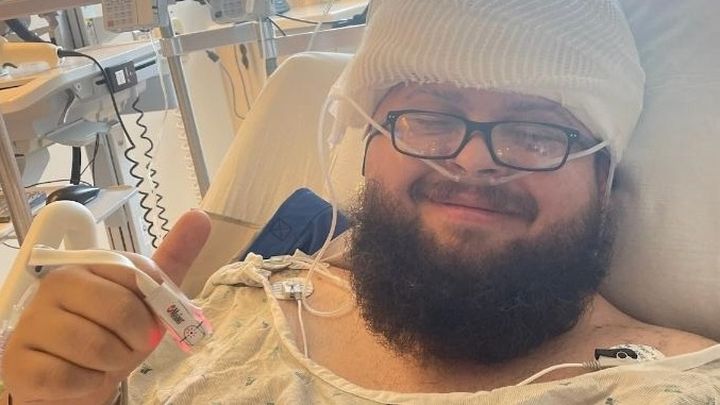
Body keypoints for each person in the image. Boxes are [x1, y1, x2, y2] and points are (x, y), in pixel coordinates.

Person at [2, 0, 719, 403]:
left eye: (537, 132)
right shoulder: (231, 311)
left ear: (605, 181)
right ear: (365, 150)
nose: (473, 160)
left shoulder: (670, 385)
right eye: (429, 118)